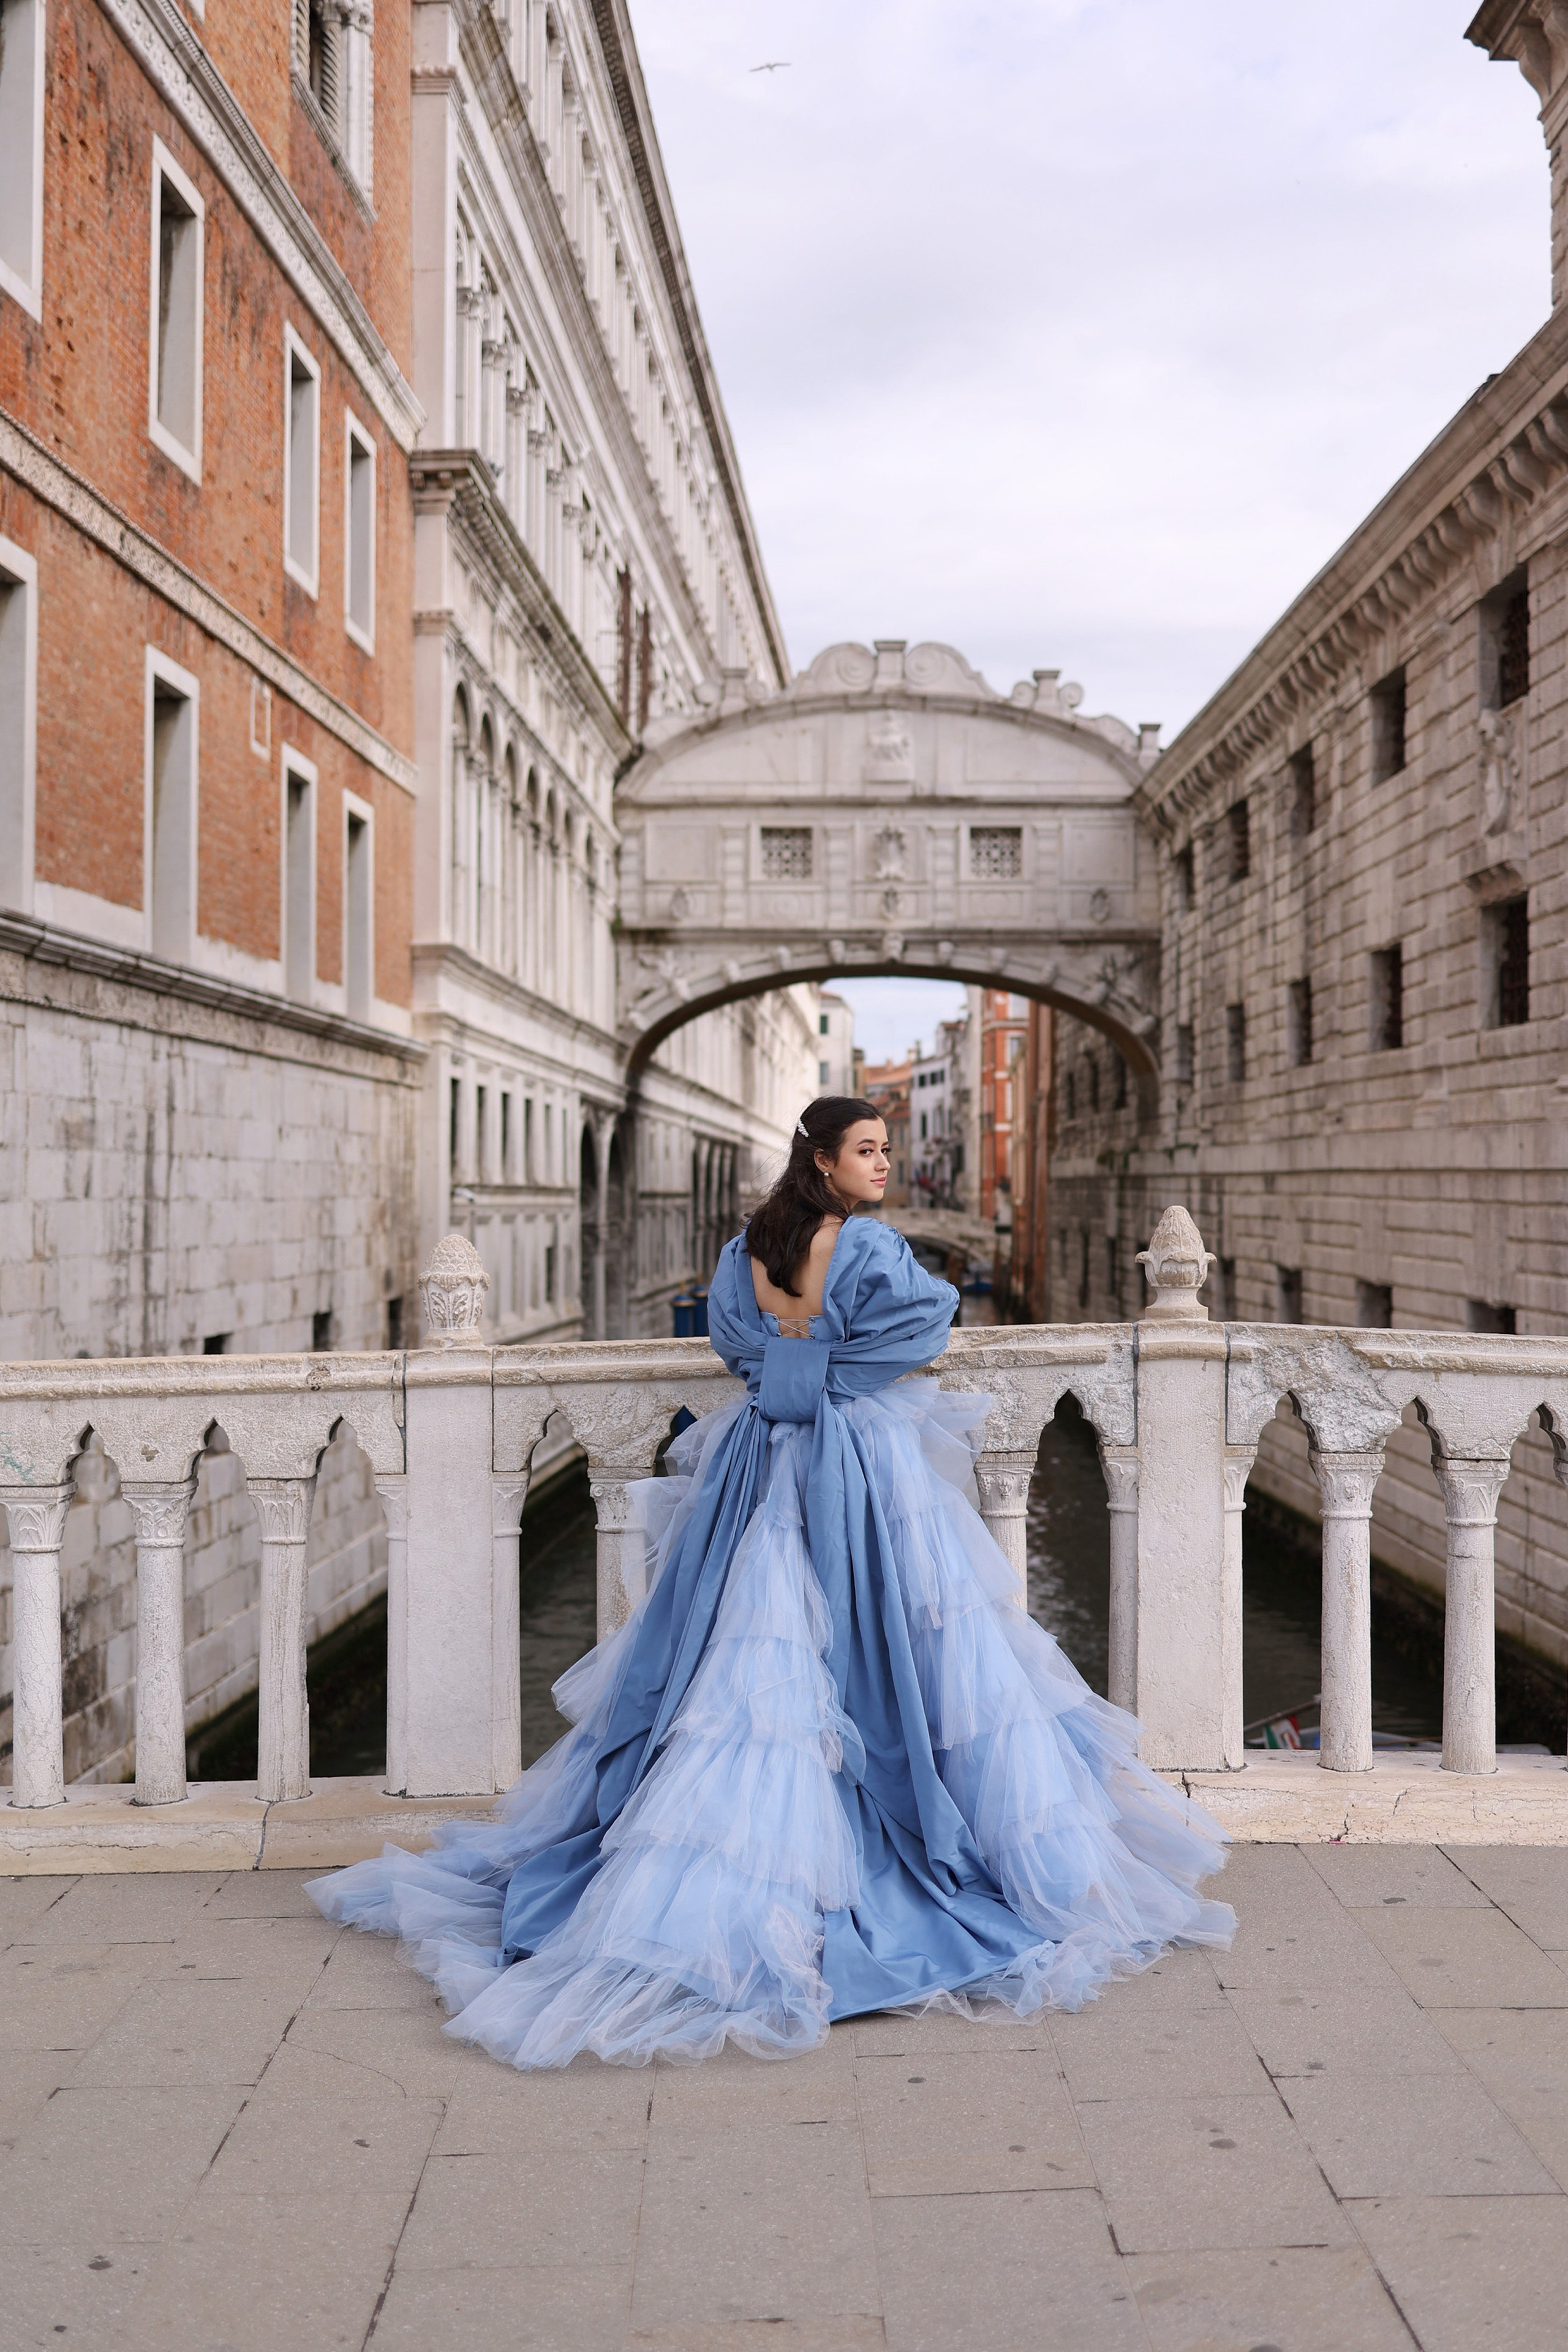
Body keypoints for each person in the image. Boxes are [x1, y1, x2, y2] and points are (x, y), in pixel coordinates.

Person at [308, 1097, 1233, 2067]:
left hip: (758, 1459)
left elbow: (734, 1347)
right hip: (856, 1462)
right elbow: (930, 1325)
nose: (886, 1164)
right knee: (902, 1648)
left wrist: (793, 1367)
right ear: (825, 1163)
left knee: (741, 1650)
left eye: (885, 1149)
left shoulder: (744, 1251)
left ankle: (719, 1877)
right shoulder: (868, 1251)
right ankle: (883, 1854)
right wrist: (834, 1370)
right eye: (869, 1151)